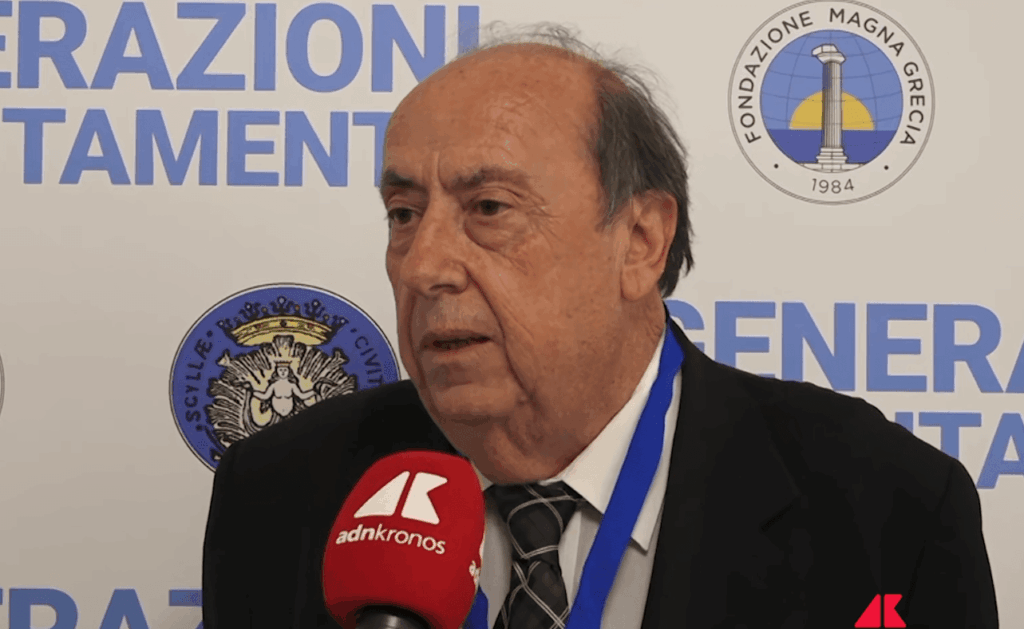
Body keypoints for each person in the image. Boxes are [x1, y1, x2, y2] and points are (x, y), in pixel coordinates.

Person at [202, 24, 999, 629]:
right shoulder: (282, 491)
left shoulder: (882, 507)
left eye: (489, 208)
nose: (422, 266)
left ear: (641, 240)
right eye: (404, 213)